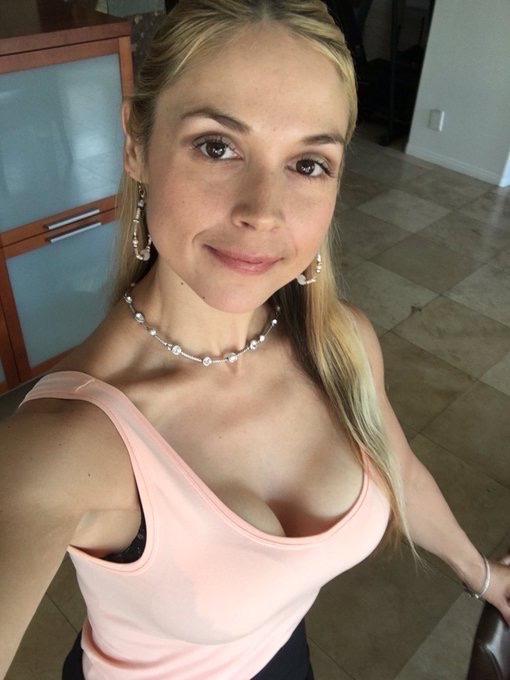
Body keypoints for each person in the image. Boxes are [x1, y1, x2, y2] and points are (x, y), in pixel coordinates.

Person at [2, 1, 509, 679]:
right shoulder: (63, 445)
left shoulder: (341, 344)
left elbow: (401, 469)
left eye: (308, 164)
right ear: (135, 145)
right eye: (217, 146)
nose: (263, 213)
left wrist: (483, 575)